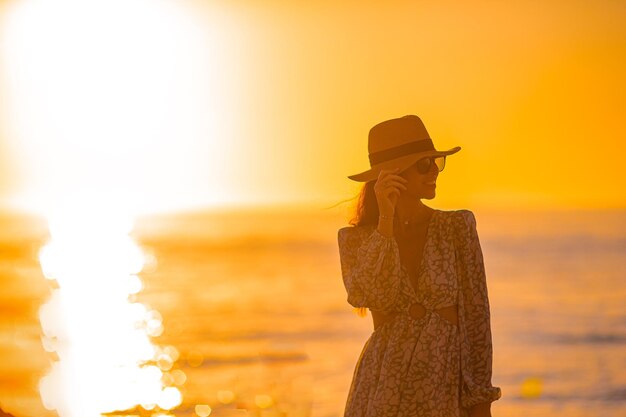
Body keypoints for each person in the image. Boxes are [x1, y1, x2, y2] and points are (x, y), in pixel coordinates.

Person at [337, 115, 501, 417]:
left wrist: (481, 400)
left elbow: (478, 319)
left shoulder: (457, 227)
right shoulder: (355, 240)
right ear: (392, 174)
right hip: (382, 390)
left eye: (437, 162)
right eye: (424, 164)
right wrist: (385, 221)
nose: (435, 172)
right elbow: (372, 297)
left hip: (444, 386)